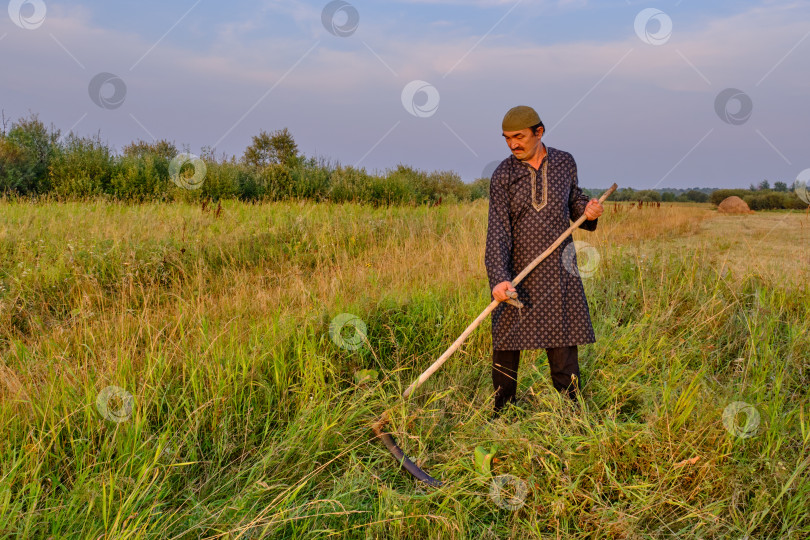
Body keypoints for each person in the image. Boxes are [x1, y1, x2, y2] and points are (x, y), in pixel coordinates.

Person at [485, 105, 603, 416]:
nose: (513, 144)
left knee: (562, 340)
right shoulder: (503, 174)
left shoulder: (565, 162)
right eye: (507, 138)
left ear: (539, 132)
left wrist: (586, 210)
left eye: (519, 137)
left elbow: (573, 199)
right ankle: (502, 413)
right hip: (517, 271)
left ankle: (572, 413)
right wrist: (499, 276)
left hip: (559, 268)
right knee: (507, 343)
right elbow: (497, 229)